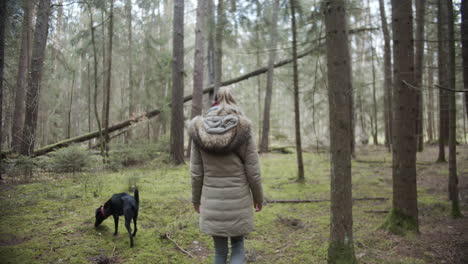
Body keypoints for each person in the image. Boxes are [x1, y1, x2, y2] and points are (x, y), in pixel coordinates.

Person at [189, 87, 264, 264]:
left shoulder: (199, 130)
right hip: (238, 199)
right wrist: (259, 197)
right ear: (234, 100)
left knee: (219, 252)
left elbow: (196, 173)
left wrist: (195, 200)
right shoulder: (244, 128)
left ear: (214, 101)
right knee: (238, 246)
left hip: (211, 199)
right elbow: (253, 171)